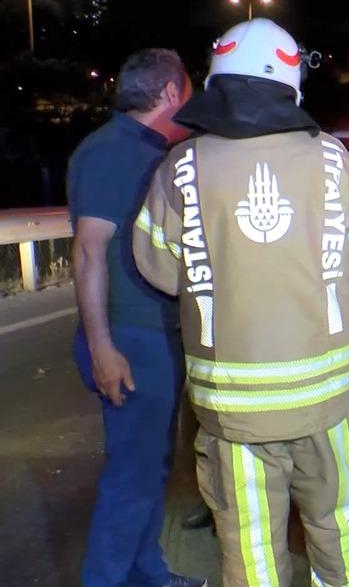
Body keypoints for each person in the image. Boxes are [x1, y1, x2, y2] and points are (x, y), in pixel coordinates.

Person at [133, 18, 349, 587]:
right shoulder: (332, 160)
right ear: (292, 83)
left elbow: (161, 270)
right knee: (336, 524)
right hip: (325, 407)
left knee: (250, 548)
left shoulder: (182, 168)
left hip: (234, 411)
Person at [68, 49, 207, 587]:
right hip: (130, 338)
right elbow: (87, 251)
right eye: (188, 91)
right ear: (170, 93)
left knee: (151, 469)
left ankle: (147, 573)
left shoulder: (154, 151)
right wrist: (104, 348)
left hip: (156, 337)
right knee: (132, 475)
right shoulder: (111, 152)